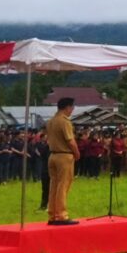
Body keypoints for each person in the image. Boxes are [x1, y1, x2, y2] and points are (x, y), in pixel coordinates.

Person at [44, 97, 80, 226]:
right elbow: (70, 141)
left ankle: (53, 214)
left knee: (54, 185)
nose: (72, 111)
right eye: (72, 108)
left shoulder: (50, 121)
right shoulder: (64, 122)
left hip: (52, 155)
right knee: (63, 185)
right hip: (64, 156)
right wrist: (77, 153)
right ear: (67, 107)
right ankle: (61, 215)